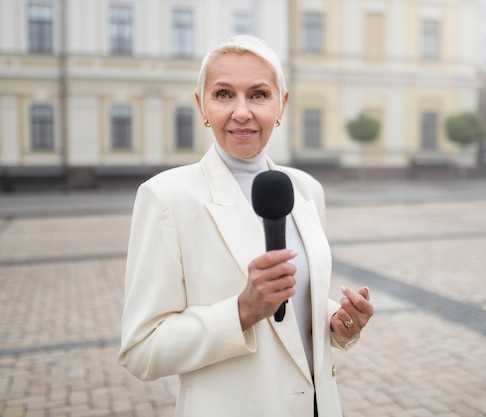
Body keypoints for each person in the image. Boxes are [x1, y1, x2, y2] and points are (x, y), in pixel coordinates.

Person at [118, 35, 374, 417]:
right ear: (200, 104)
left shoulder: (306, 190)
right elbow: (142, 350)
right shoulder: (166, 198)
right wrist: (241, 311)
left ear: (281, 104)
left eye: (258, 94)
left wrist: (339, 322)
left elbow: (296, 311)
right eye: (223, 94)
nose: (241, 112)